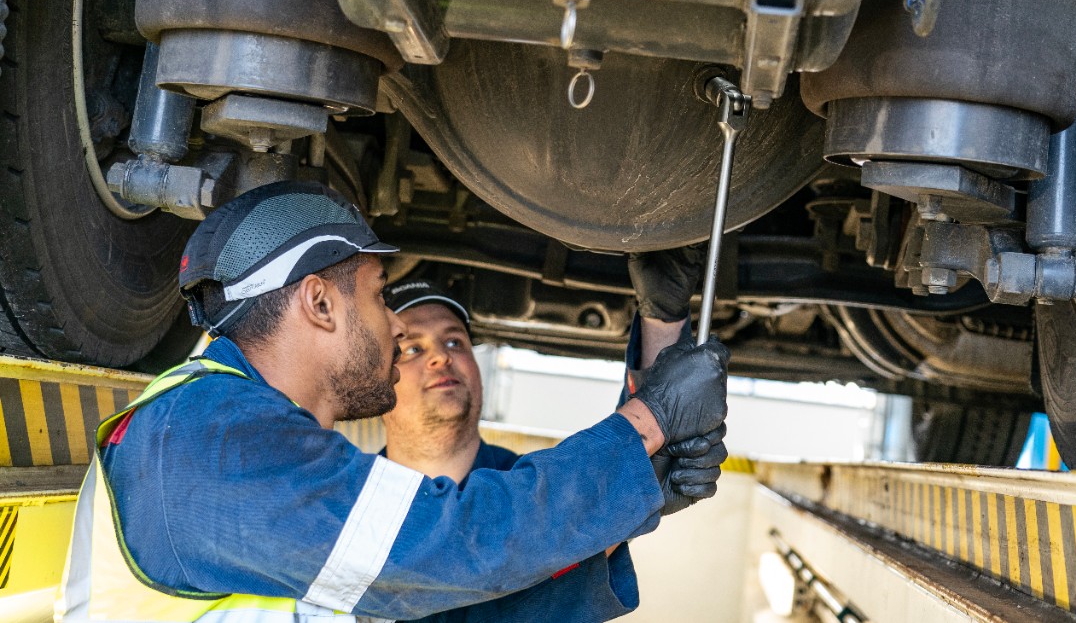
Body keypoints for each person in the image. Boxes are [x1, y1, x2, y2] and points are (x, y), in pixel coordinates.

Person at [56, 181, 729, 623]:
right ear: (319, 303)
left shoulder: (227, 434)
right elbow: (449, 546)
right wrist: (645, 425)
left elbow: (437, 600)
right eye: (379, 296)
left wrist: (637, 483)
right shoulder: (207, 439)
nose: (392, 326)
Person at [378, 269, 727, 622]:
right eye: (411, 349)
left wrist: (662, 320)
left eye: (455, 342)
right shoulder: (355, 503)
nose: (441, 357)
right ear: (377, 380)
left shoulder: (546, 486)